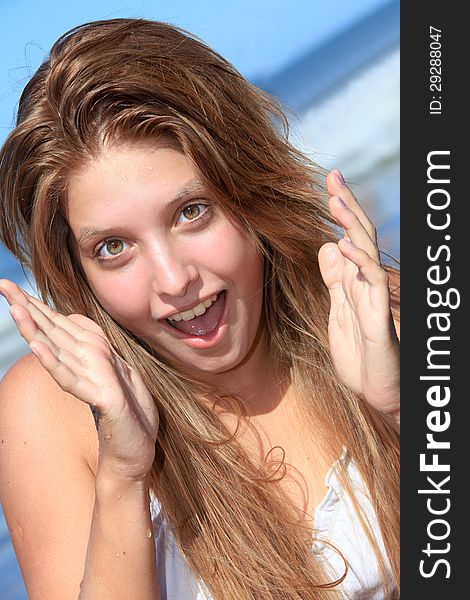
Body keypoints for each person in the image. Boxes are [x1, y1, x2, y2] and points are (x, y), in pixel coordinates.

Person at [0, 18, 400, 600]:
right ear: (77, 271)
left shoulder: (383, 316)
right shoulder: (48, 414)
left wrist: (402, 408)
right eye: (113, 248)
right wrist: (125, 476)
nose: (173, 281)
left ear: (247, 189)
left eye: (191, 212)